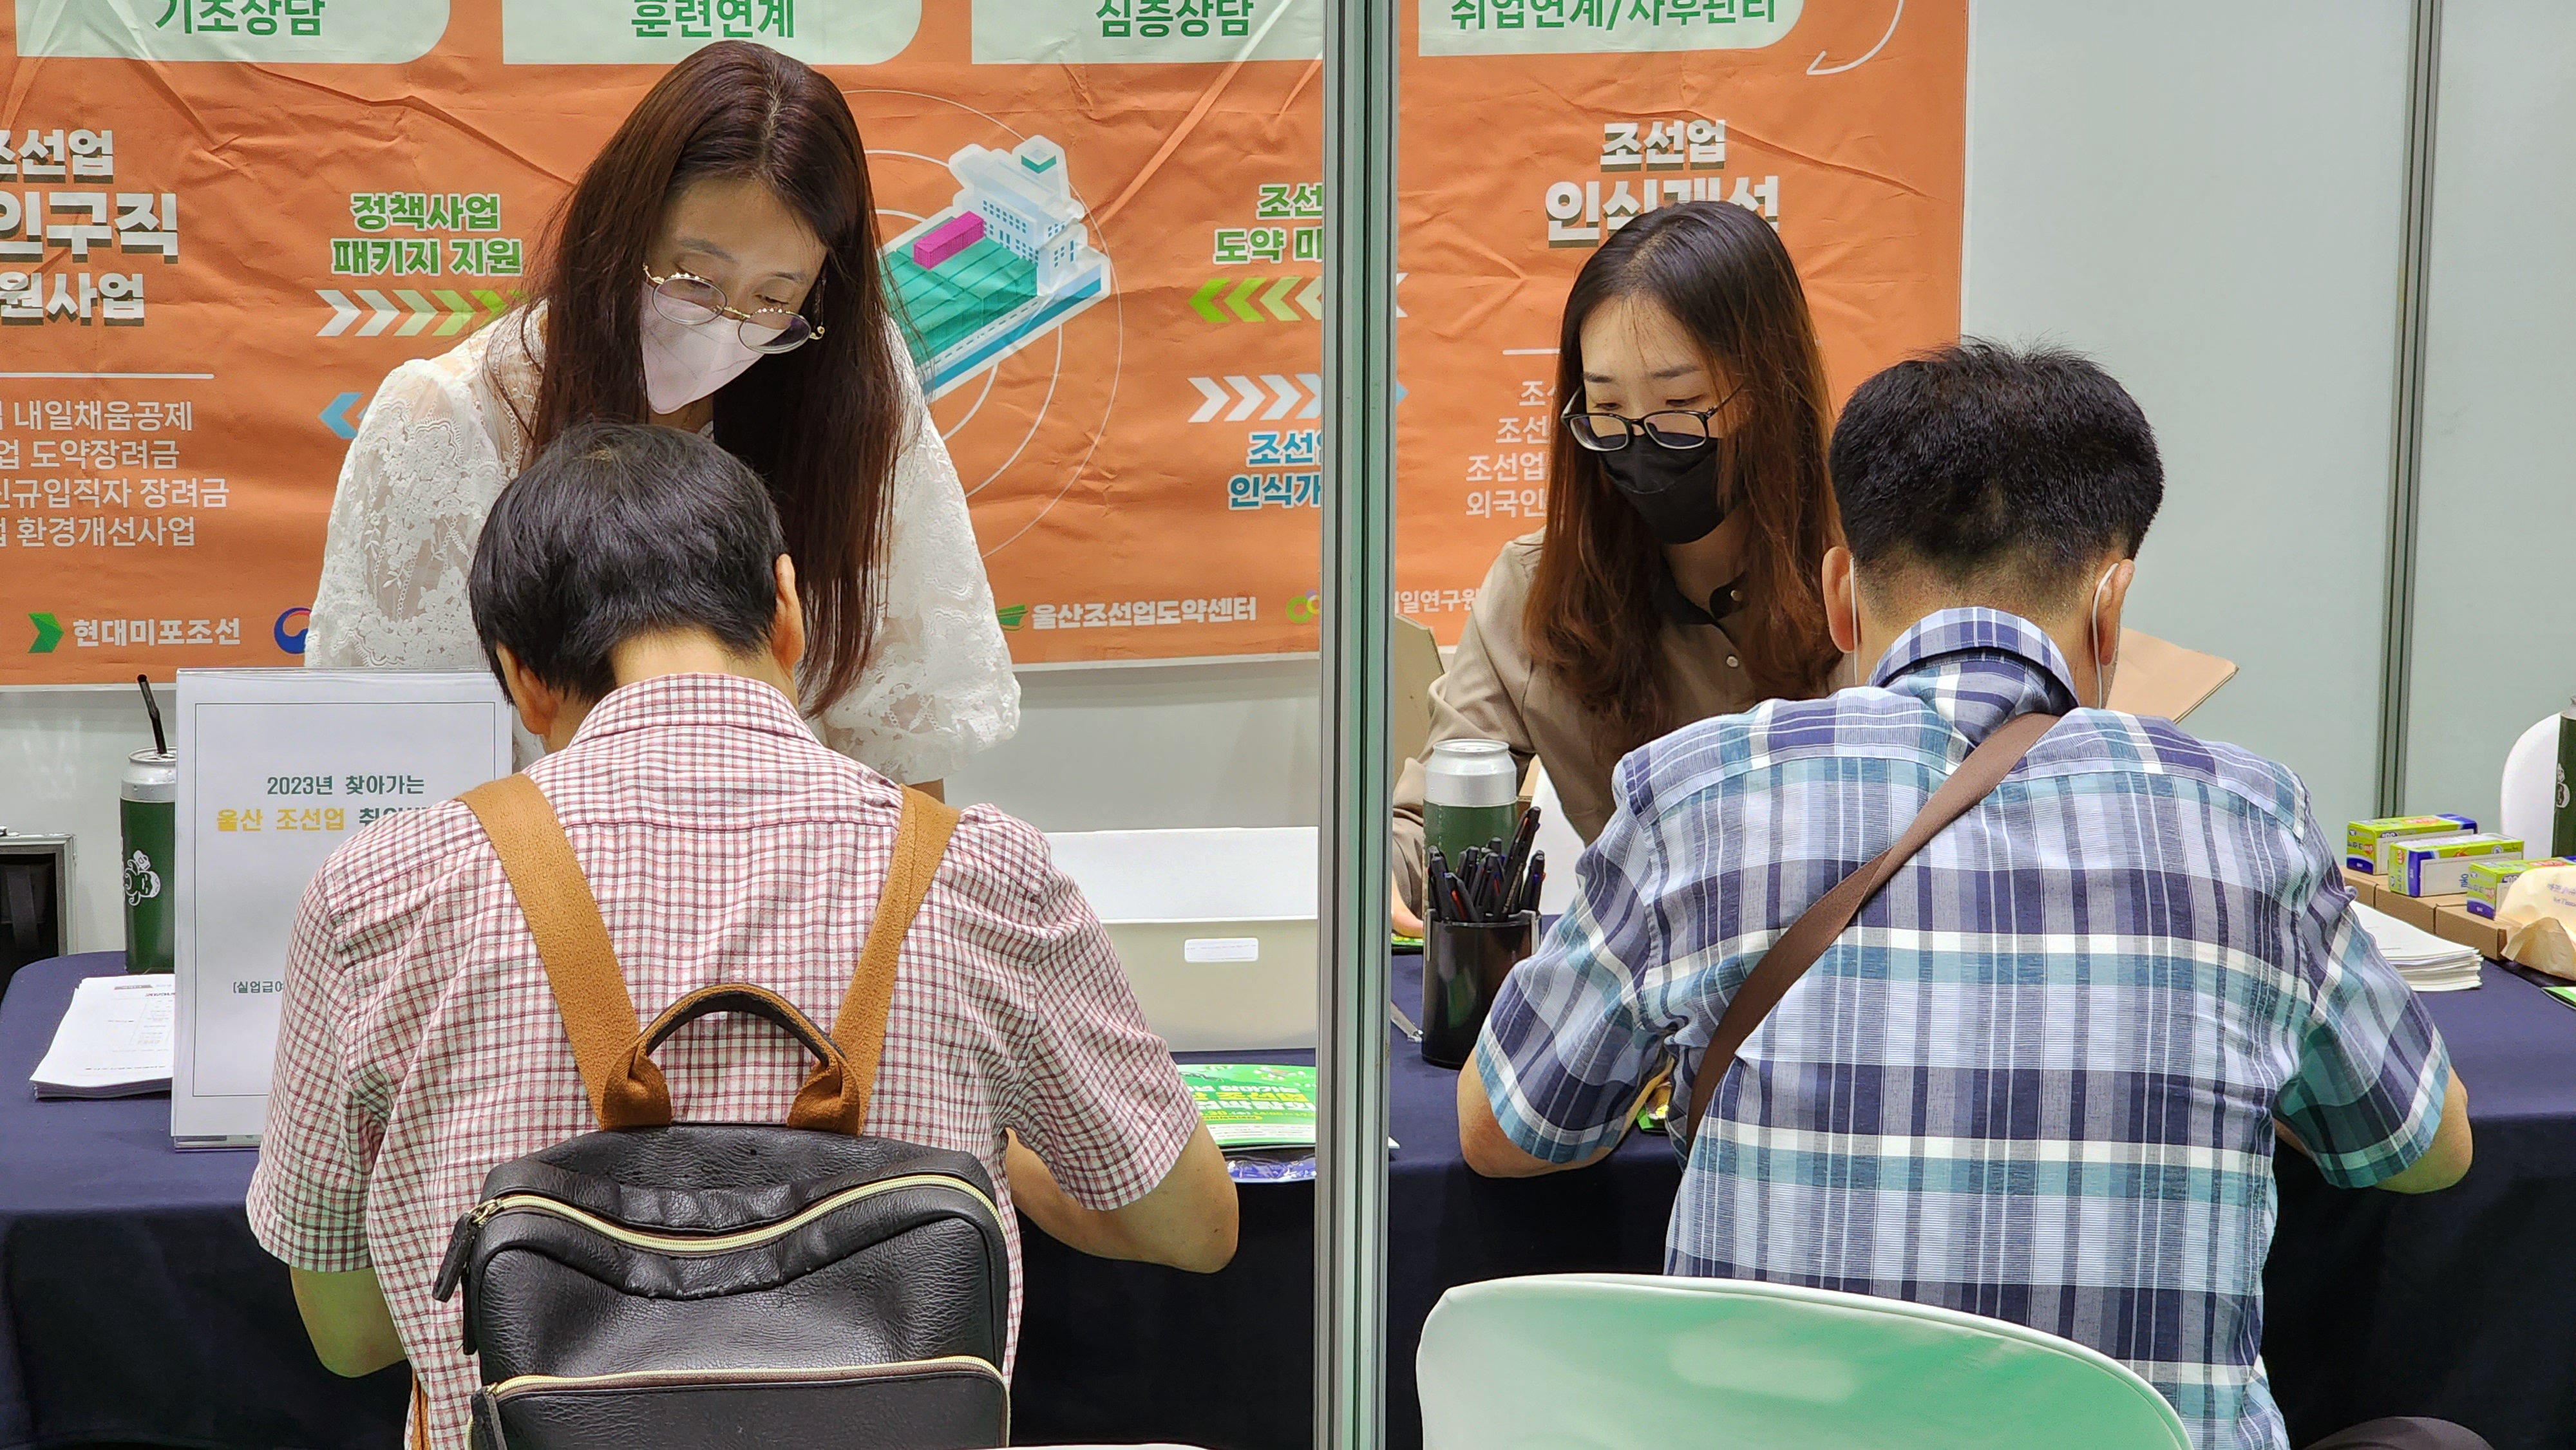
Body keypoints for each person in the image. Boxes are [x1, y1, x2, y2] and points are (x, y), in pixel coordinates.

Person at [1457, 342, 2481, 1450]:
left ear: (1840, 593)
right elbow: (2424, 1147)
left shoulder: (1698, 788)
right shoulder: (2248, 816)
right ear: (2111, 604)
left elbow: (1506, 1125)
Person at [248, 423, 1236, 1450]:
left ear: (523, 678)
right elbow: (1194, 1228)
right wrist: (1002, 1167)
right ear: (789, 608)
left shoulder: (378, 893)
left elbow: (351, 1336)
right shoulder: (983, 874)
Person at [306, 41, 1016, 793]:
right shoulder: (453, 417)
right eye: (694, 279)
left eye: (775, 298)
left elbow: (903, 751)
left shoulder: (845, 391)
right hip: (532, 887)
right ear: (621, 230)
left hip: (802, 887)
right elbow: (393, 766)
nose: (727, 326)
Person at [1392, 200, 1848, 929]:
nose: (1638, 439)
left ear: (1769, 387)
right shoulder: (1535, 590)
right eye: (1606, 408)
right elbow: (1435, 819)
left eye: (1680, 403)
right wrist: (1386, 871)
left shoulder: (1878, 572)